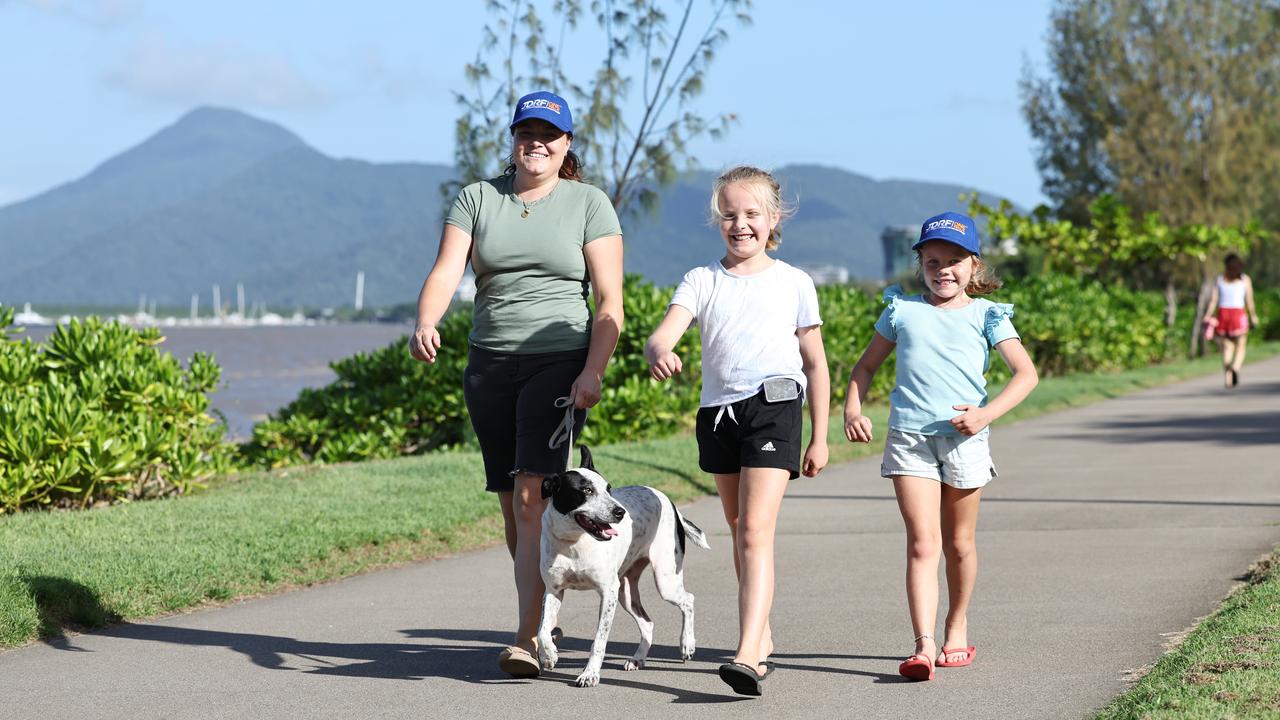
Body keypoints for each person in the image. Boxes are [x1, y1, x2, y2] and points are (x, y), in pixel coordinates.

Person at [408, 90, 624, 678]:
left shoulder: (589, 204)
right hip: (489, 364)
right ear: (513, 139)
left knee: (532, 496)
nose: (536, 142)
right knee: (512, 504)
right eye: (526, 132)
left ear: (567, 145)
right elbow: (446, 271)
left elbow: (610, 301)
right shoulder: (478, 199)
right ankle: (544, 613)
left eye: (549, 134)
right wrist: (426, 321)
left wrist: (593, 369)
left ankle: (527, 636)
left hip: (559, 360)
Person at [645, 165, 830, 696]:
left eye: (751, 214)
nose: (740, 224)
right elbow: (663, 335)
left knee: (754, 529)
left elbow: (815, 364)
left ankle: (748, 653)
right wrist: (663, 352)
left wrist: (819, 436)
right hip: (718, 414)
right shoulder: (702, 280)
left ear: (774, 219)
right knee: (736, 524)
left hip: (775, 405)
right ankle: (762, 632)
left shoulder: (794, 281)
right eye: (729, 215)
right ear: (717, 220)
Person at [842, 211, 1038, 681]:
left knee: (959, 543)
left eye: (954, 260)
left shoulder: (988, 315)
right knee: (923, 543)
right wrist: (853, 409)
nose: (943, 270)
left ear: (974, 265)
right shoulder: (901, 311)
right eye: (933, 261)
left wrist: (984, 415)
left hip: (966, 441)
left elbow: (1026, 374)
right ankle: (923, 646)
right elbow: (863, 368)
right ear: (920, 264)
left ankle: (956, 622)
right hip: (909, 439)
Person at [1203, 254, 1261, 388]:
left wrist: (1208, 315)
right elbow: (1249, 301)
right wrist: (1253, 316)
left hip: (1223, 314)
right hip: (1238, 314)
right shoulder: (1245, 280)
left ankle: (1228, 378)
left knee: (1227, 348)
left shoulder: (1220, 279)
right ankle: (1235, 367)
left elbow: (1213, 300)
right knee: (1241, 346)